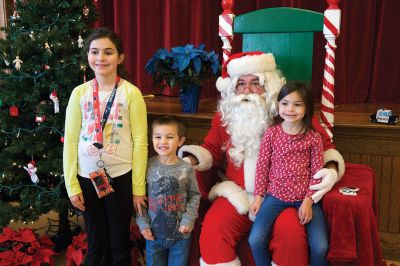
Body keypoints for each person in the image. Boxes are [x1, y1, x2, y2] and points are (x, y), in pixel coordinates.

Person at [178, 51, 345, 266]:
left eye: (255, 83)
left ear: (269, 85)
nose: (247, 90)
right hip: (236, 193)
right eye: (241, 84)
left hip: (282, 195)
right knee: (214, 231)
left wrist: (331, 170)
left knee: (291, 238)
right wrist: (191, 160)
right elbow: (211, 149)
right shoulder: (226, 117)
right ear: (233, 88)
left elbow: (325, 147)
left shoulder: (289, 111)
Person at [63, 27, 148, 266]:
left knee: (119, 242)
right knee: (96, 241)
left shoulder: (131, 94)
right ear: (88, 56)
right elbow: (70, 140)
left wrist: (138, 188)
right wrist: (71, 185)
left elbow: (140, 142)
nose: (100, 58)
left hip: (120, 177)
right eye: (95, 52)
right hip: (87, 177)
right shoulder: (79, 93)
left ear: (120, 57)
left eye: (108, 52)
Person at [248, 81, 328, 266]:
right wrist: (258, 197)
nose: (290, 109)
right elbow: (262, 167)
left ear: (307, 108)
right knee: (255, 240)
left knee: (320, 246)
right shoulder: (271, 134)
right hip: (275, 196)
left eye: (297, 104)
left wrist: (308, 201)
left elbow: (317, 173)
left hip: (305, 198)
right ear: (278, 105)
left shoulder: (314, 137)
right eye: (285, 103)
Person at [136, 116, 201, 266]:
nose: (163, 141)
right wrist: (143, 224)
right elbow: (140, 198)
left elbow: (194, 195)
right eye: (158, 137)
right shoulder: (146, 166)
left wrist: (188, 220)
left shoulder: (186, 168)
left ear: (180, 141)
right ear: (151, 138)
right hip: (153, 234)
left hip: (181, 234)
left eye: (169, 137)